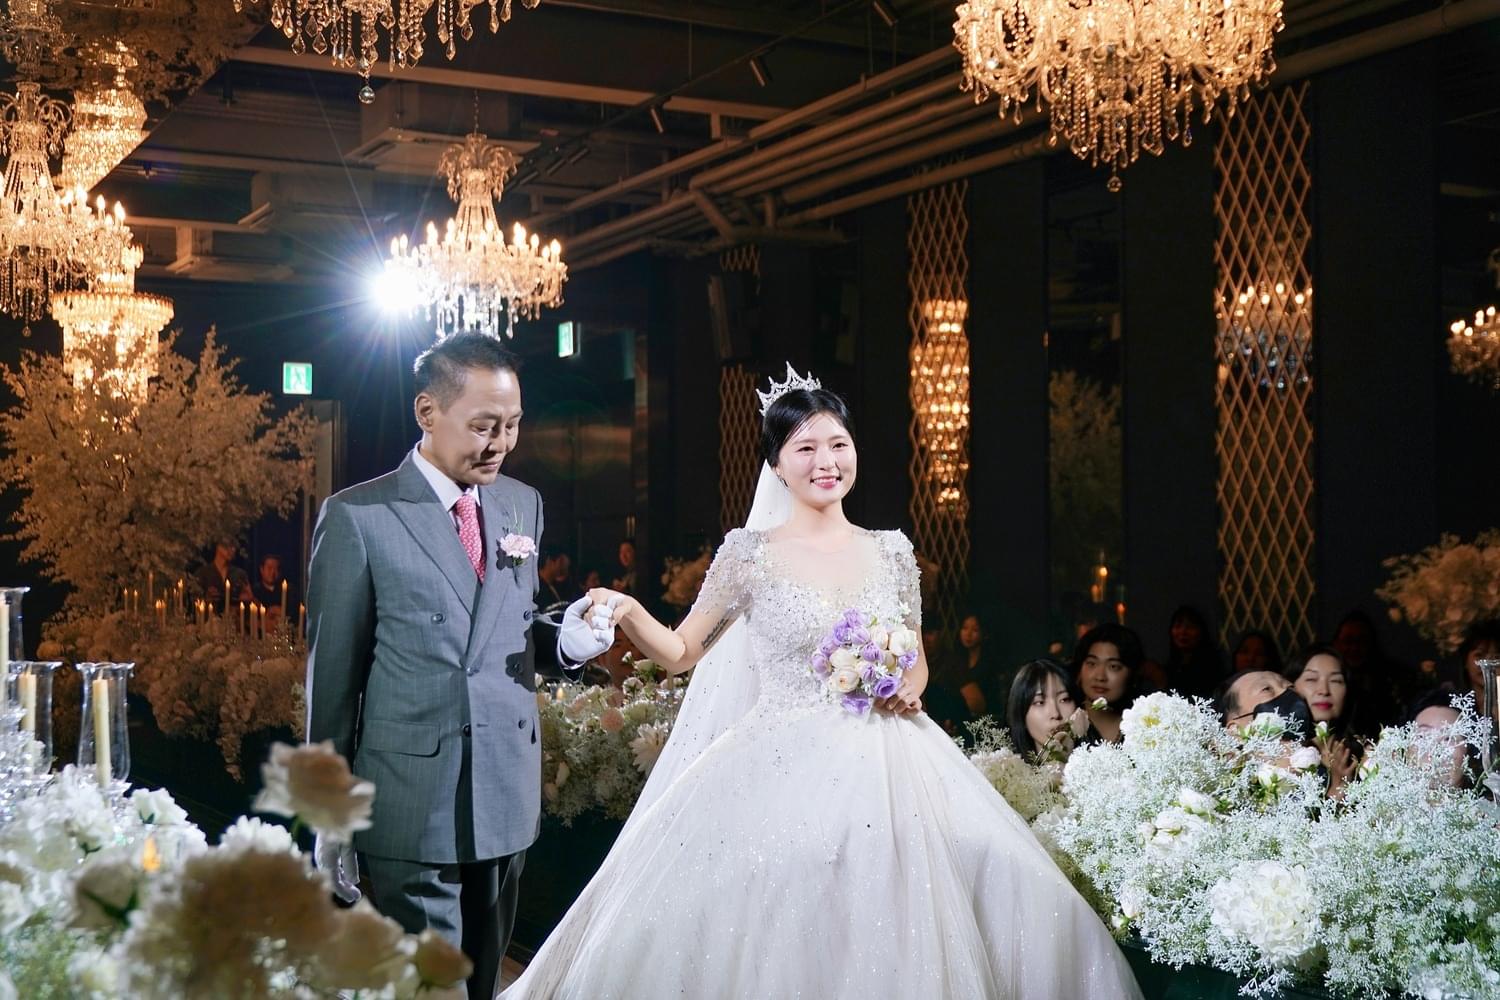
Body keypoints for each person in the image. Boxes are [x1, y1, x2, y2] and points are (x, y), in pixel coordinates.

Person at [501, 368, 1142, 999]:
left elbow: (916, 657)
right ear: (777, 466)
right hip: (780, 756)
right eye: (804, 448)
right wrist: (628, 610)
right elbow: (682, 652)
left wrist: (908, 685)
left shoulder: (892, 550)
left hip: (893, 753)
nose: (826, 461)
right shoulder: (749, 553)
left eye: (838, 443)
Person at [306, 334, 565, 1000]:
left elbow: (510, 625)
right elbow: (332, 683)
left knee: (486, 983)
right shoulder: (359, 517)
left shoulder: (522, 503)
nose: (501, 443)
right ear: (428, 412)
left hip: (505, 794)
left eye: (512, 425)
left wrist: (569, 641)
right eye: (484, 426)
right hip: (410, 799)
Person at [1072, 622, 1145, 744]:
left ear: (1132, 674)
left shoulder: (1146, 726)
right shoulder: (1064, 725)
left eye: (1113, 666)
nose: (1100, 677)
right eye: (1092, 663)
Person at [1006, 658, 1085, 761]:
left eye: (1064, 699)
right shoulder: (1005, 770)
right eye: (1040, 702)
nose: (1055, 714)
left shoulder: (1099, 766)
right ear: (1021, 714)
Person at [1158, 604, 1227, 700]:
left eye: (1190, 627)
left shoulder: (1211, 666)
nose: (1183, 632)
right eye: (1178, 626)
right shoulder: (1170, 666)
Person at [195, 538, 252, 612]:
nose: (233, 549)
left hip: (233, 616)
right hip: (210, 616)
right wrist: (206, 597)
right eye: (229, 545)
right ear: (218, 546)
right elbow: (195, 600)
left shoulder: (239, 574)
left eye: (234, 546)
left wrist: (240, 600)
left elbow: (249, 596)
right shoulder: (203, 573)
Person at [536, 546, 573, 611]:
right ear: (549, 561)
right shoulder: (537, 586)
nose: (565, 566)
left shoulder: (557, 585)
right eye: (560, 561)